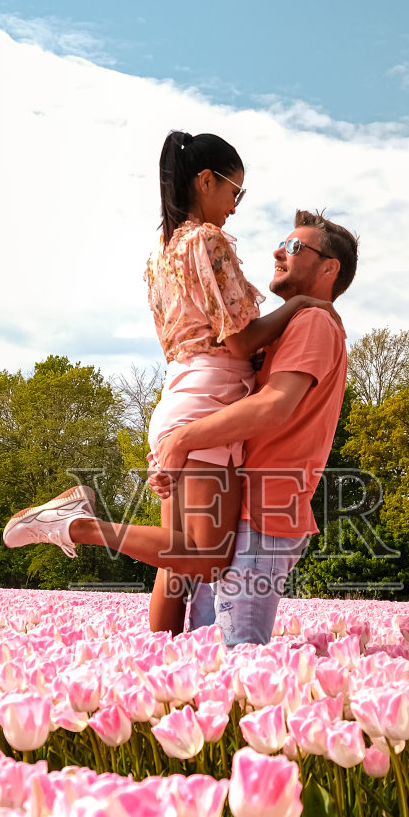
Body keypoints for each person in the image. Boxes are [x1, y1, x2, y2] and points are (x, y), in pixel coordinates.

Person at [1, 132, 338, 632]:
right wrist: (299, 304)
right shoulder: (206, 241)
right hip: (210, 397)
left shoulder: (162, 253)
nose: (234, 207)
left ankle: (162, 673)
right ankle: (76, 525)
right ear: (206, 181)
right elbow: (241, 342)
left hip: (179, 392)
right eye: (234, 193)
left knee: (175, 567)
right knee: (206, 556)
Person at [155, 209, 354, 644]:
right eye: (283, 242)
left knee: (235, 659)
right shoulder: (287, 324)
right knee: (205, 648)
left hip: (264, 516)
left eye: (296, 246)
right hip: (242, 510)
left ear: (329, 268)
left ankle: (81, 527)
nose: (279, 251)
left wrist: (183, 438)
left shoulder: (313, 322)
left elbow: (274, 406)